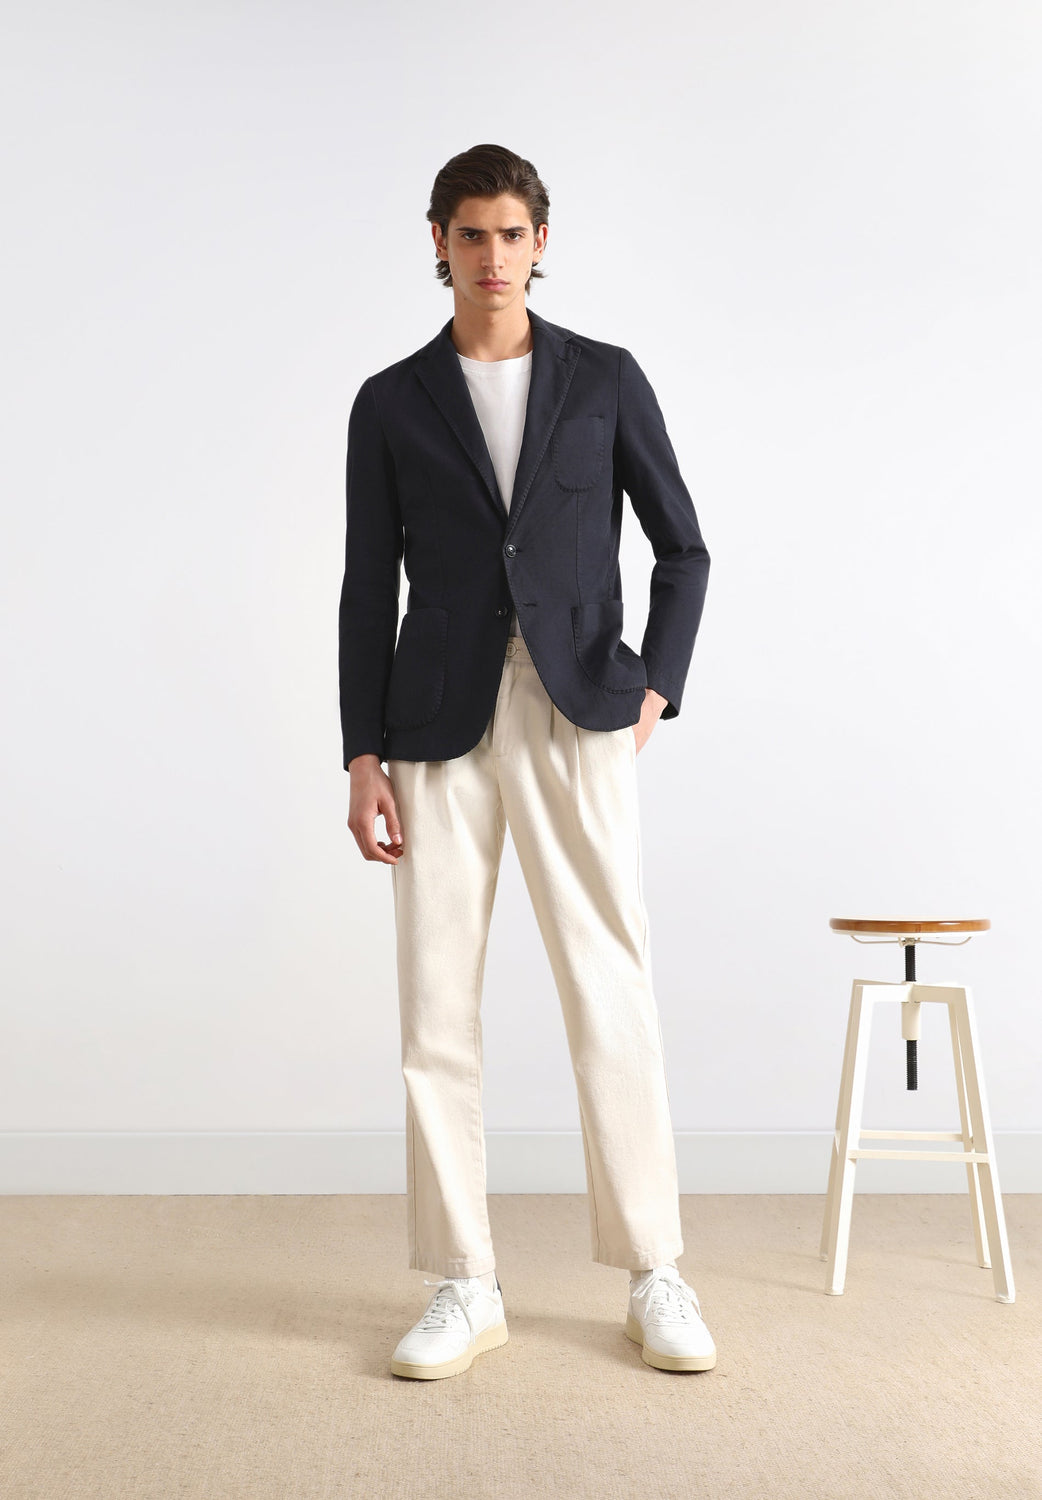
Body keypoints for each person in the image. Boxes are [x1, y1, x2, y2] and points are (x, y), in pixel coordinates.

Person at [339, 143, 714, 1379]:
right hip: (432, 721)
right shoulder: (390, 401)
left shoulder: (603, 378)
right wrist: (360, 752)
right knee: (434, 1002)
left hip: (576, 707)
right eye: (471, 235)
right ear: (437, 242)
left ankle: (654, 1271)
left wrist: (656, 680)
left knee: (611, 985)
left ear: (540, 242)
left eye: (511, 235)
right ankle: (464, 1282)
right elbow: (366, 586)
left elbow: (681, 548)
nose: (492, 257)